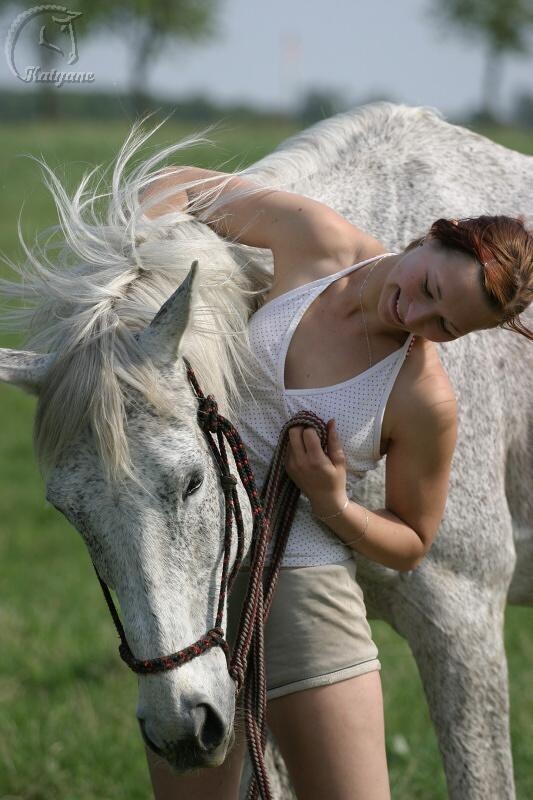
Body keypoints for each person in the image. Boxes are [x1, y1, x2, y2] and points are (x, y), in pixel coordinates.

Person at [139, 167, 533, 800]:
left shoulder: (422, 396)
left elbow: (412, 542)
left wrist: (335, 503)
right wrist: (138, 281)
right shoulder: (315, 240)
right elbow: (176, 187)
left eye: (446, 326)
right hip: (197, 586)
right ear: (433, 236)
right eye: (430, 287)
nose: (418, 316)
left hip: (307, 593)